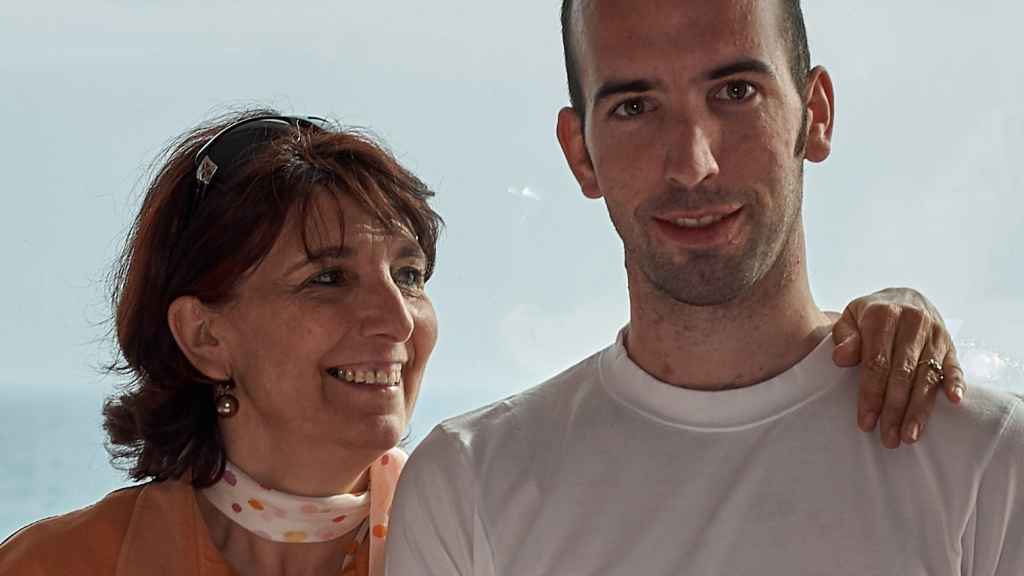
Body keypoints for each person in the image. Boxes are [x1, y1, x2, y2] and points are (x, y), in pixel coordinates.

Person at [0, 111, 967, 575]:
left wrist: (861, 330)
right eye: (327, 277)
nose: (394, 320)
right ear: (203, 334)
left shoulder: (493, 528)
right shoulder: (53, 568)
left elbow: (697, 451)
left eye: (411, 275)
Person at [384, 1, 1024, 574]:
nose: (693, 162)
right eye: (635, 107)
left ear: (816, 114)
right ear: (581, 153)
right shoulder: (468, 487)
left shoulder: (990, 464)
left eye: (736, 91)